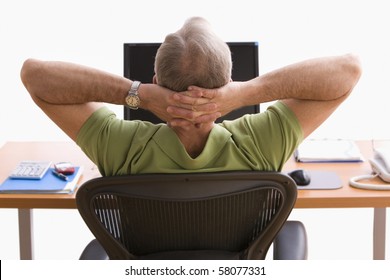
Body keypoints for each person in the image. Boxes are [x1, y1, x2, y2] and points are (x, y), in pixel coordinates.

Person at [20, 17, 361, 176]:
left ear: (156, 80)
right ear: (227, 80)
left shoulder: (119, 145)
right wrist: (245, 92)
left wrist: (136, 94)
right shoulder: (262, 142)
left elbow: (34, 75)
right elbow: (349, 70)